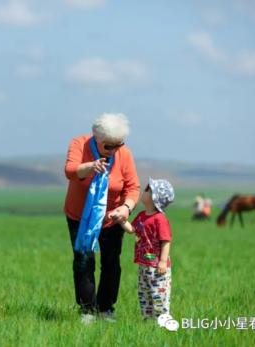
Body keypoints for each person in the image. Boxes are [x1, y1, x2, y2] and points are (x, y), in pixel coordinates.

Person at [64, 113, 140, 324]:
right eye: (109, 146)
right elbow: (70, 171)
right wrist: (89, 167)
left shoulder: (124, 154)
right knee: (84, 260)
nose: (115, 150)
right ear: (97, 139)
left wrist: (126, 208)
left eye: (119, 145)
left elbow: (133, 187)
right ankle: (87, 310)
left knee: (111, 262)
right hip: (81, 217)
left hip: (112, 218)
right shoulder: (79, 144)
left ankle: (106, 308)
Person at [119, 177, 175, 320]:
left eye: (148, 190)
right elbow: (132, 229)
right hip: (144, 264)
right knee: (144, 293)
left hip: (157, 266)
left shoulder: (160, 219)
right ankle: (147, 320)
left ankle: (163, 319)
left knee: (159, 294)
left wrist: (162, 261)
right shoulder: (142, 216)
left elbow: (166, 241)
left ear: (155, 198)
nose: (144, 191)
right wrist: (121, 220)